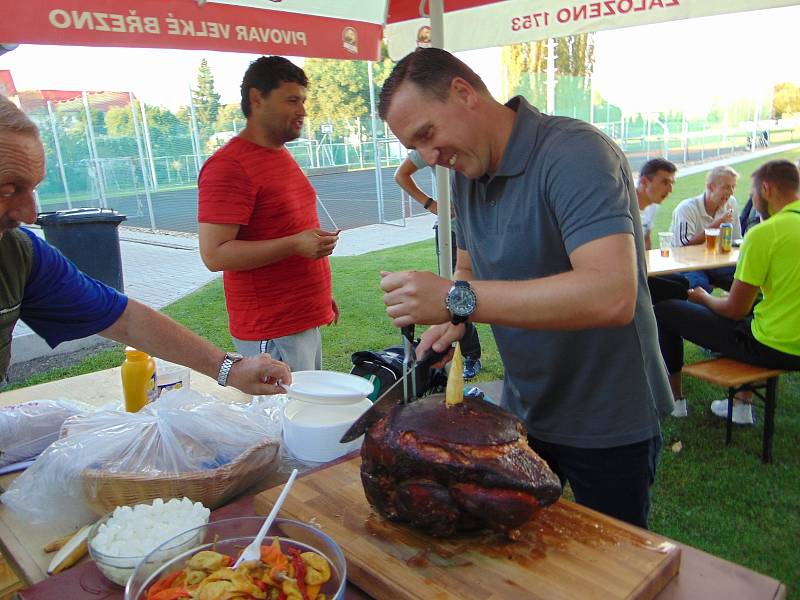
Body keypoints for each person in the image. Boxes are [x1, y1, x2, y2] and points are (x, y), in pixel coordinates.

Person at [377, 48, 671, 529]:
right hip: (524, 409)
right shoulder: (466, 173)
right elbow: (467, 267)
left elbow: (611, 294)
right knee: (518, 551)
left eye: (428, 135)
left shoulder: (574, 154)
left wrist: (457, 299)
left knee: (607, 569)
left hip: (608, 416)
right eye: (416, 147)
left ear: (464, 93)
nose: (430, 158)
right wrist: (451, 317)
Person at [0, 94, 290, 394]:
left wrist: (230, 368)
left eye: (33, 188)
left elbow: (124, 318)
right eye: (8, 190)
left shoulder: (19, 254)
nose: (30, 214)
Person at [198, 56, 339, 372]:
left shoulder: (277, 153)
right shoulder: (229, 166)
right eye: (292, 100)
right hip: (272, 329)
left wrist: (318, 296)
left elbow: (288, 225)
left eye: (303, 100)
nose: (302, 111)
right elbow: (214, 254)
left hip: (298, 320)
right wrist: (294, 245)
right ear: (257, 99)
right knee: (284, 419)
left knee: (305, 413)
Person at [654, 159, 800, 423]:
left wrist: (704, 298)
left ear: (765, 189)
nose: (750, 201)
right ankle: (741, 404)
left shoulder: (765, 233)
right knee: (753, 311)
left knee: (664, 310)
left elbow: (734, 310)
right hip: (787, 338)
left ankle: (674, 400)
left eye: (751, 193)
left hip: (773, 346)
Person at [394, 149, 482, 379]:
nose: (431, 153)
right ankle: (472, 354)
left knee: (461, 298)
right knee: (456, 296)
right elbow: (401, 174)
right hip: (452, 232)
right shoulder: (431, 149)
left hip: (483, 233)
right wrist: (431, 204)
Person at [669, 165, 742, 292]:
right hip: (688, 264)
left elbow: (736, 240)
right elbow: (683, 247)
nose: (731, 192)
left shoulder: (731, 203)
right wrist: (717, 224)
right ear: (710, 187)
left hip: (718, 262)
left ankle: (742, 310)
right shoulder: (686, 209)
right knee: (700, 287)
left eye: (733, 187)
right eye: (726, 187)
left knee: (746, 277)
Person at [636, 158, 688, 304]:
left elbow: (646, 237)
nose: (670, 190)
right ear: (644, 182)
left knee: (683, 281)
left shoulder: (652, 205)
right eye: (665, 182)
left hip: (640, 268)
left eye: (672, 183)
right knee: (677, 290)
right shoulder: (626, 206)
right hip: (626, 275)